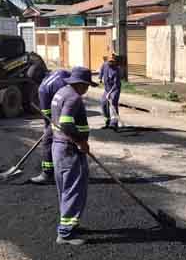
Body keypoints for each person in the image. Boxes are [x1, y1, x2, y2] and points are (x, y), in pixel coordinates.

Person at [51, 67, 97, 245]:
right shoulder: (73, 97)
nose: (87, 89)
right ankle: (65, 233)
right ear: (81, 84)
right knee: (73, 189)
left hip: (60, 148)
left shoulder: (61, 92)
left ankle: (71, 224)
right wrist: (81, 142)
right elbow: (66, 123)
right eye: (86, 85)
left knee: (66, 188)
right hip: (69, 149)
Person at [30, 69, 71, 185]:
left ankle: (47, 174)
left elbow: (46, 113)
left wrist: (47, 128)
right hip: (74, 106)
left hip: (61, 115)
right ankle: (73, 170)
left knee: (47, 141)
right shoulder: (60, 72)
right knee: (71, 140)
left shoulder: (43, 88)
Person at [99, 55, 122, 130]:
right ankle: (107, 121)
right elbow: (101, 70)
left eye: (112, 61)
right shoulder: (105, 65)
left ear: (115, 62)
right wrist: (100, 78)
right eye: (109, 61)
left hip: (114, 89)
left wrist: (109, 93)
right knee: (103, 103)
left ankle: (114, 123)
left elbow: (116, 84)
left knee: (113, 103)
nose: (110, 63)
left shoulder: (117, 70)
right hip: (107, 88)